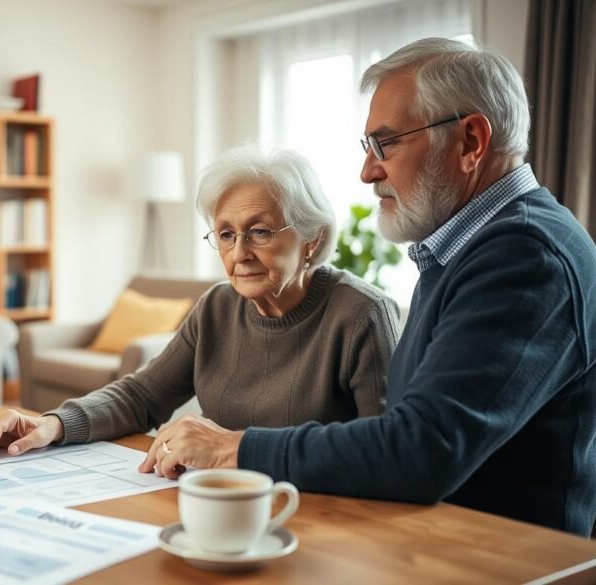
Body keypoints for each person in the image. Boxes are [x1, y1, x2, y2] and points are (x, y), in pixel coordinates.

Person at [145, 38, 596, 536]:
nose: (366, 171)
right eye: (367, 147)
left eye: (386, 144)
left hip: (499, 560)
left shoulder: (524, 255)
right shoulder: (462, 249)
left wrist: (233, 447)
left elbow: (420, 449)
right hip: (430, 541)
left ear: (471, 141)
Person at [0, 145, 400, 475]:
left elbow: (384, 453)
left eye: (260, 231)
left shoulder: (361, 315)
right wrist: (54, 424)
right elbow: (142, 396)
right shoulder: (217, 306)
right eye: (226, 234)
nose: (239, 253)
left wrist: (236, 445)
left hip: (319, 517)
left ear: (312, 238)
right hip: (218, 506)